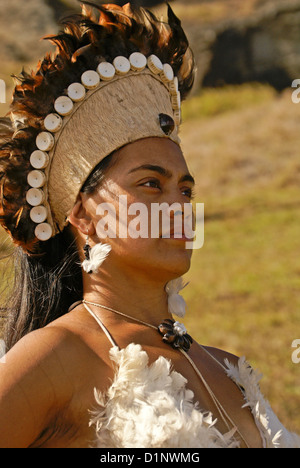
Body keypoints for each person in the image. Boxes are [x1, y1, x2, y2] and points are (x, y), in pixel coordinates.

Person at [0, 2, 298, 449]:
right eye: (151, 184)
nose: (178, 206)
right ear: (83, 215)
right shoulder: (55, 358)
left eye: (185, 190)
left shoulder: (228, 370)